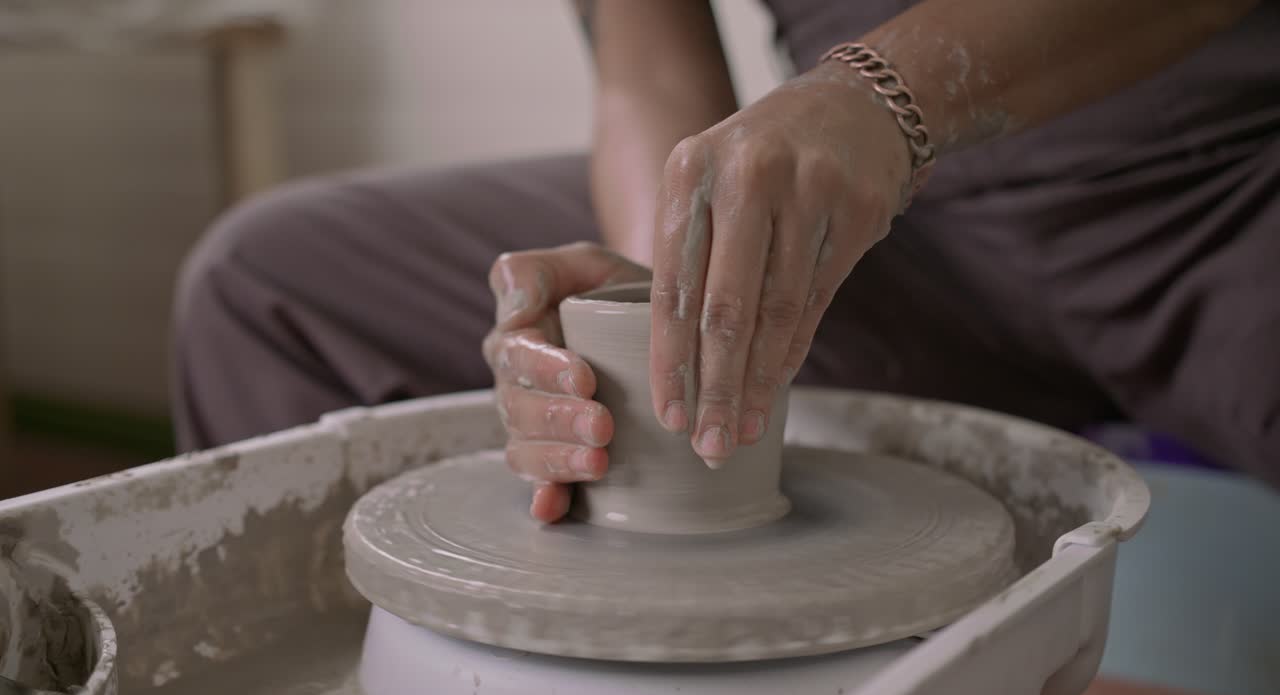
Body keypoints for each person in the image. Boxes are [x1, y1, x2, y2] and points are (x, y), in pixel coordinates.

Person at [173, 1, 1278, 521]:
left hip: (1220, 184)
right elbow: (645, 57)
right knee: (270, 292)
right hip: (897, 236)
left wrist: (884, 95)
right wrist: (658, 319)